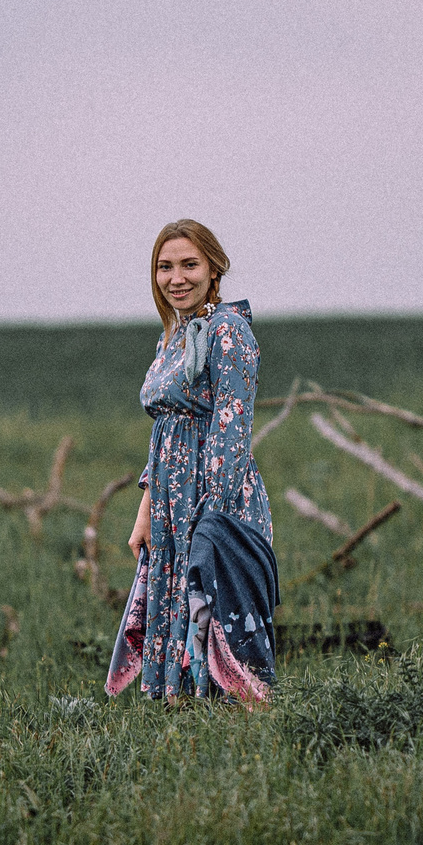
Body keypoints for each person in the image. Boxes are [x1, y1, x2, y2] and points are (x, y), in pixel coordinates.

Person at [105, 220, 279, 702]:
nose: (176, 278)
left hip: (213, 500)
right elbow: (164, 433)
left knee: (214, 607)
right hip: (169, 504)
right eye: (165, 267)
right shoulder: (174, 335)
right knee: (175, 602)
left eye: (189, 265)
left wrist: (211, 517)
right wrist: (146, 510)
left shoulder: (229, 331)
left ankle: (229, 721)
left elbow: (232, 429)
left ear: (214, 270)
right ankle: (180, 711)